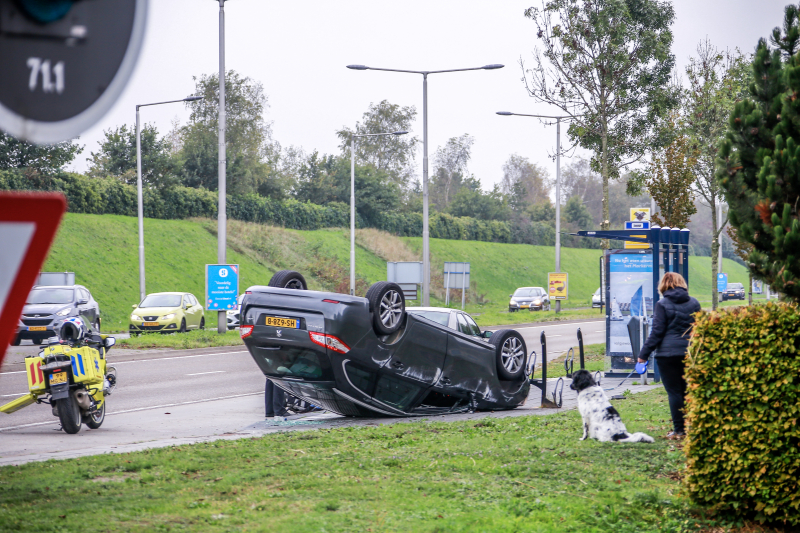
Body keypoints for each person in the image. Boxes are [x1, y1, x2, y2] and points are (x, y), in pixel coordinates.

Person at [637, 272, 701, 439]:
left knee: (674, 392)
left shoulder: (662, 304)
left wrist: (643, 354)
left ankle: (679, 430)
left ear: (663, 285)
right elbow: (701, 328)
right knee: (688, 390)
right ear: (681, 283)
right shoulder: (694, 302)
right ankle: (691, 427)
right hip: (689, 353)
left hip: (667, 355)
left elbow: (657, 332)